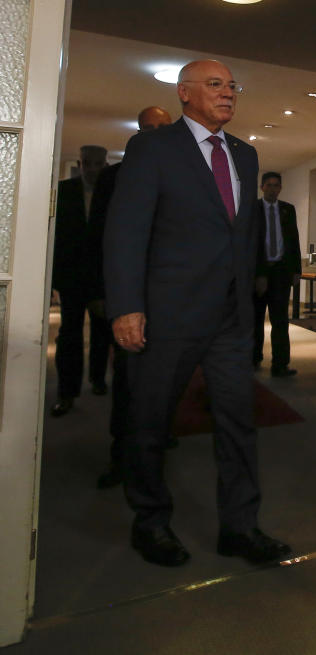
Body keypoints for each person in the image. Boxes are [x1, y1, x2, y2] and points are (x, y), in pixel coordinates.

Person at [104, 60, 291, 567]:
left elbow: (240, 232)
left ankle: (240, 527)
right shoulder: (154, 148)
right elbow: (126, 230)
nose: (228, 93)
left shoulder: (246, 156)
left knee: (238, 423)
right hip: (167, 314)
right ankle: (151, 523)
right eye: (215, 85)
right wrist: (126, 305)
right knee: (150, 422)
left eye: (232, 86)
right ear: (184, 93)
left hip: (230, 319)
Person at [86, 106, 173, 489]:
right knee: (126, 380)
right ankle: (121, 457)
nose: (153, 134)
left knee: (166, 379)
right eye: (148, 128)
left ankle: (158, 444)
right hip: (127, 297)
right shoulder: (113, 177)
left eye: (161, 129)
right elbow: (99, 239)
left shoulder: (182, 176)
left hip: (170, 299)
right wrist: (101, 293)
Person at [50, 144, 112, 417]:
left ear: (105, 164)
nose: (92, 169)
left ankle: (97, 379)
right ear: (80, 162)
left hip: (102, 278)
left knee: (102, 333)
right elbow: (56, 239)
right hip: (72, 278)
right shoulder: (64, 192)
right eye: (88, 163)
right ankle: (67, 391)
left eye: (98, 163)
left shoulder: (113, 194)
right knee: (69, 335)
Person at [253, 171, 301, 377]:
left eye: (276, 185)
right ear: (262, 187)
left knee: (280, 320)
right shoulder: (252, 209)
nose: (273, 189)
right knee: (255, 319)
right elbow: (251, 244)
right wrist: (258, 273)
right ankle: (253, 358)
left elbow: (293, 241)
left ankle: (280, 364)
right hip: (258, 272)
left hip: (281, 272)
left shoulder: (287, 210)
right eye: (269, 185)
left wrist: (296, 270)